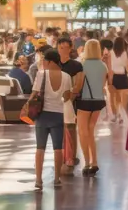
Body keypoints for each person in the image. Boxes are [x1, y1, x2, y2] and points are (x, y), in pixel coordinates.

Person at [30, 48, 72, 191]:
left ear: (48, 61)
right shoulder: (66, 76)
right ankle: (57, 179)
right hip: (58, 114)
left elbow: (34, 94)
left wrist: (26, 107)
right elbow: (67, 97)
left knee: (40, 148)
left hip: (42, 115)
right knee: (58, 149)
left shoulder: (41, 74)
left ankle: (38, 180)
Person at [76, 39, 108, 174]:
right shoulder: (103, 65)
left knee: (82, 131)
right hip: (98, 101)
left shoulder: (83, 65)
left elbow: (79, 85)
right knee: (91, 129)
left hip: (85, 101)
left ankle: (87, 162)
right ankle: (95, 161)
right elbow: (105, 83)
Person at [57, 36, 82, 173]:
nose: (63, 50)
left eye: (66, 47)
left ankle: (72, 156)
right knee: (59, 130)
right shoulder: (54, 64)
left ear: (70, 48)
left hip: (70, 102)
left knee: (71, 128)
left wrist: (70, 98)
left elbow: (78, 84)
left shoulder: (76, 65)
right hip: (55, 102)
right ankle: (61, 157)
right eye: (61, 47)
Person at [109, 36, 128, 123]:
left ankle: (115, 115)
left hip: (114, 77)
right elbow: (127, 66)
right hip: (123, 77)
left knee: (113, 98)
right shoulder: (125, 54)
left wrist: (109, 79)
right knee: (122, 100)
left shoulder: (110, 53)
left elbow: (109, 68)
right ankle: (121, 115)